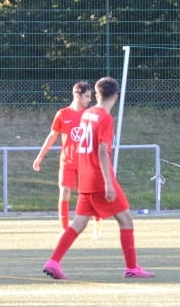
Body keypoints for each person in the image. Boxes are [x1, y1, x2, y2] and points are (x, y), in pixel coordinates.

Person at [42, 76, 154, 280]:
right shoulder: (105, 118)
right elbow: (102, 151)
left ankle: (53, 261)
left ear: (96, 94)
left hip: (85, 177)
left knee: (78, 223)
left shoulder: (87, 114)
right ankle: (131, 267)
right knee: (126, 220)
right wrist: (108, 183)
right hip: (100, 178)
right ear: (116, 97)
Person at [32, 80, 93, 232]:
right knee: (64, 190)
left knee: (86, 194)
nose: (89, 99)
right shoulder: (63, 114)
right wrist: (40, 156)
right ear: (77, 95)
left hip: (85, 162)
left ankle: (88, 223)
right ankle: (65, 229)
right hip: (67, 161)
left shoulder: (90, 115)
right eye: (87, 96)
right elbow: (52, 135)